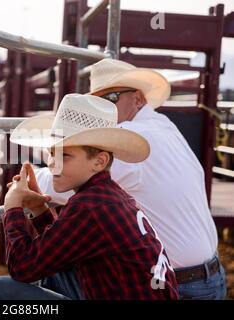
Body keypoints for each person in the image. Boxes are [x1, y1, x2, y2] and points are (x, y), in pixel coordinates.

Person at [34, 59, 227, 300]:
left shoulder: (131, 144)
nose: (102, 108)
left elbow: (56, 184)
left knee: (50, 269)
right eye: (96, 102)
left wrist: (28, 177)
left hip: (175, 285)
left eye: (110, 99)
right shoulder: (164, 126)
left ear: (138, 99)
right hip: (208, 277)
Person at [0, 94, 179, 300]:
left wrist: (12, 209)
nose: (52, 164)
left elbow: (22, 268)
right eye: (51, 154)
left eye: (64, 156)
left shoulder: (90, 206)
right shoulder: (109, 195)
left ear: (99, 161)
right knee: (56, 269)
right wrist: (39, 210)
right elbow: (61, 246)